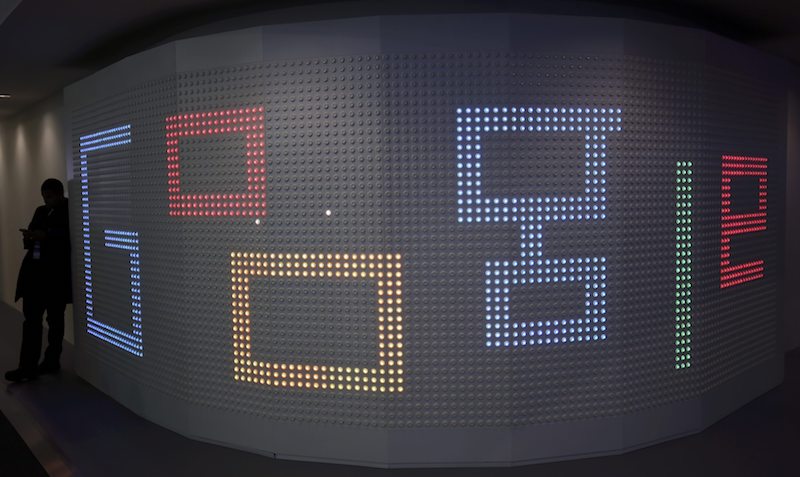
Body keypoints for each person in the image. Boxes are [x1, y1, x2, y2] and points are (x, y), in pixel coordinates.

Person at [5, 178, 72, 383]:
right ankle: (28, 367)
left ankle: (51, 361)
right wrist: (31, 236)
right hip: (35, 277)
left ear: (60, 194)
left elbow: (67, 238)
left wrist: (45, 235)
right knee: (32, 322)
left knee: (55, 322)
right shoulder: (41, 211)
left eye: (49, 196)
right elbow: (34, 233)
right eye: (44, 197)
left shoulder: (70, 212)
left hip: (55, 278)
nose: (46, 200)